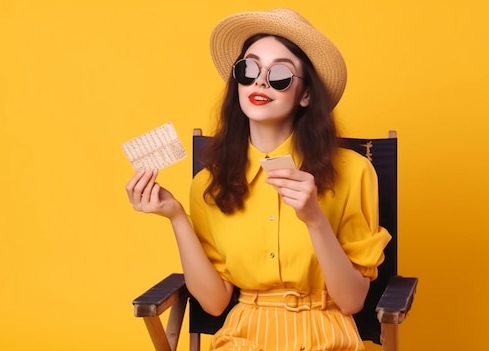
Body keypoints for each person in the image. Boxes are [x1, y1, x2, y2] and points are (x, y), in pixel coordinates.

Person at [126, 8, 391, 351]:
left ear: (306, 94)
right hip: (243, 335)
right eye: (248, 69)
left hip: (325, 334)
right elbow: (215, 303)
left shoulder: (354, 171)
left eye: (280, 74)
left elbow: (353, 301)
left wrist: (314, 217)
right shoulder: (209, 184)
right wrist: (176, 215)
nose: (260, 82)